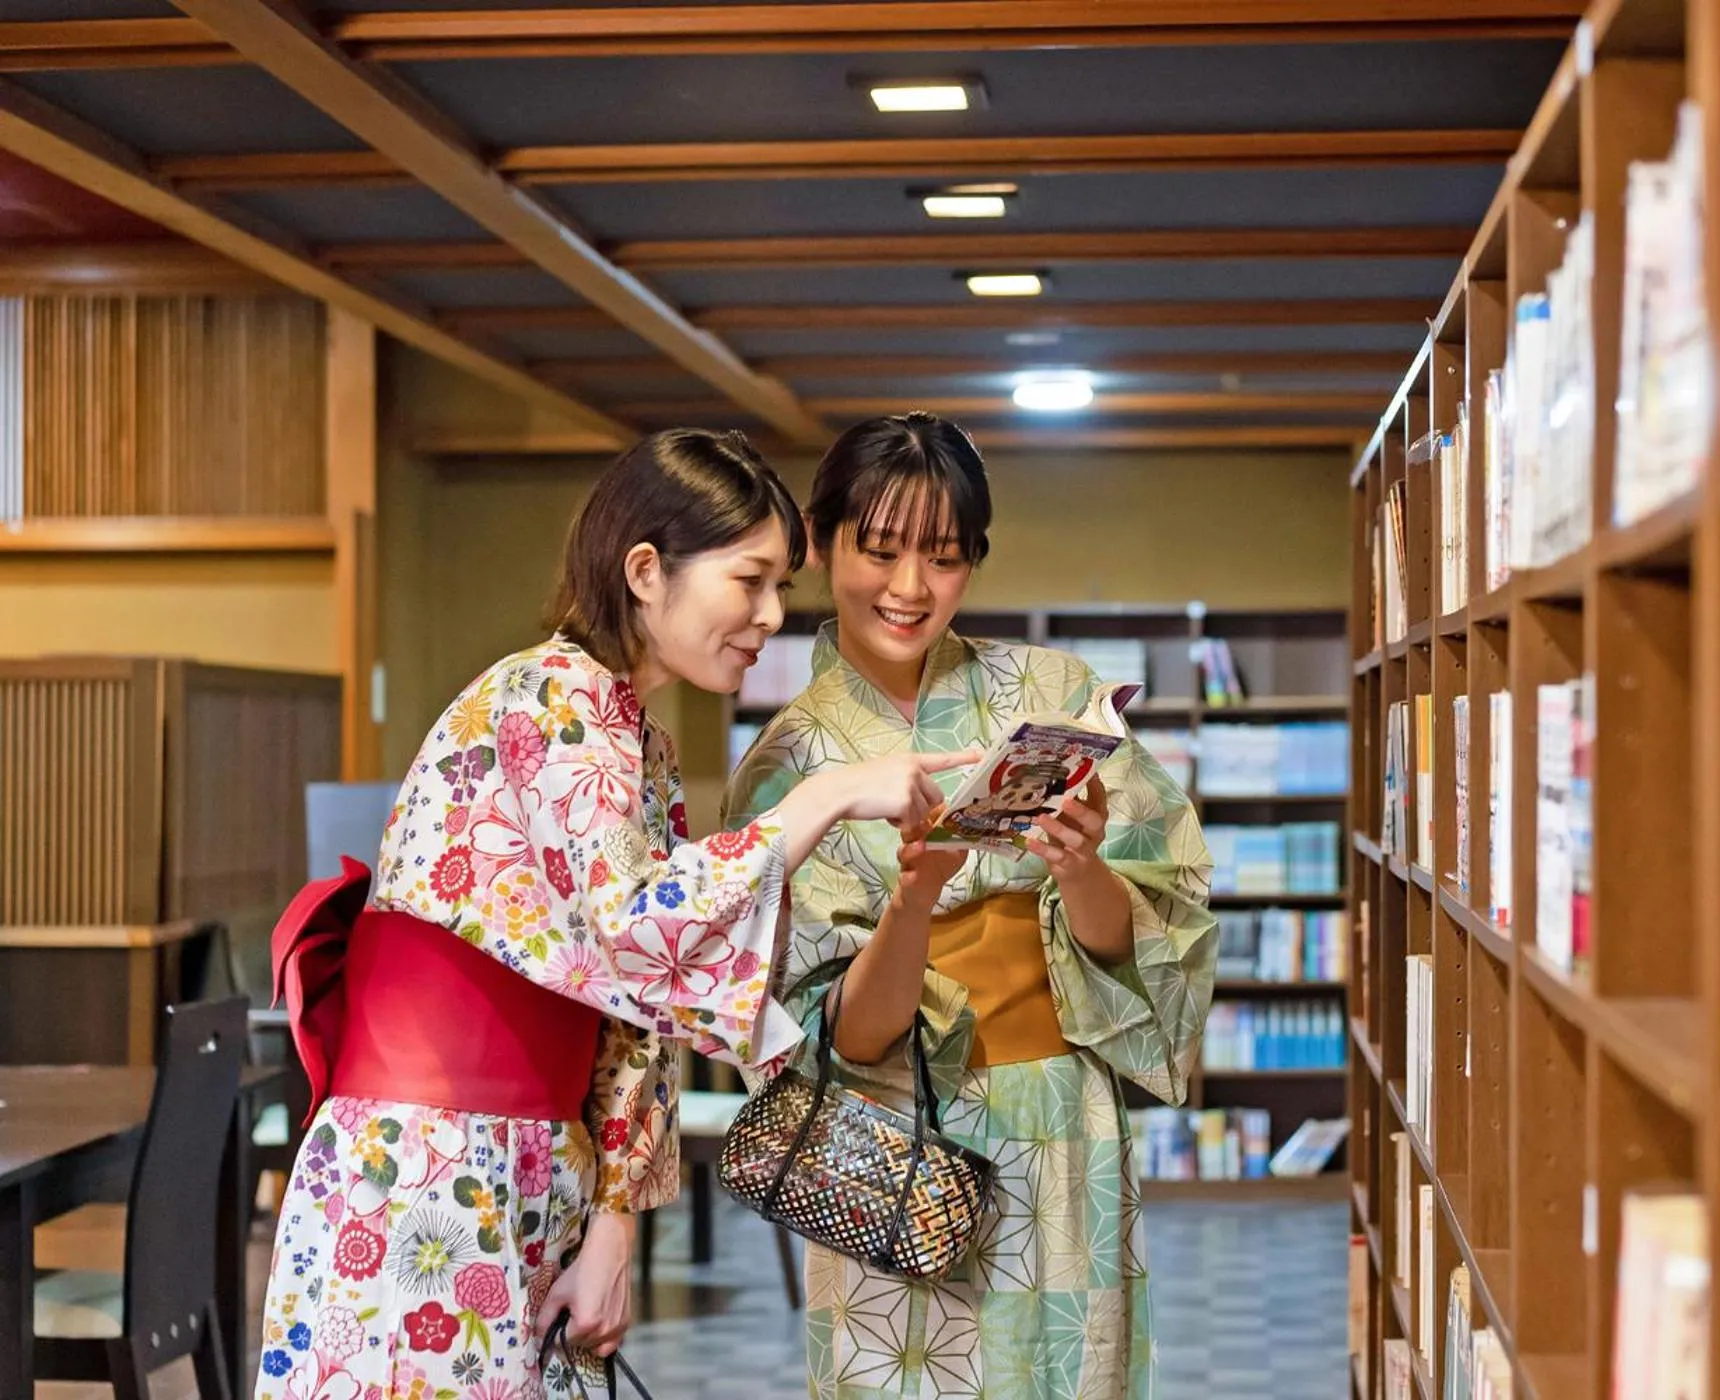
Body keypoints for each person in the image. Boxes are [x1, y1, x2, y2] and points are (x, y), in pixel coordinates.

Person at [255, 429, 974, 1400]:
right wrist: (827, 794)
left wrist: (616, 1215)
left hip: (532, 1156)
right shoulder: (552, 696)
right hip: (421, 1162)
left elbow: (641, 1002)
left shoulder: (640, 739)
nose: (768, 615)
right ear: (646, 569)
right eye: (750, 579)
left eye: (780, 590)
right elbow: (640, 926)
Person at [724, 413, 1218, 1400]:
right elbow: (836, 1033)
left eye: (944, 558)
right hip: (889, 1145)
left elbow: (1161, 919)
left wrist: (1082, 869)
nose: (910, 587)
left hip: (1061, 1116)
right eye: (881, 550)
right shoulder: (788, 762)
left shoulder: (1053, 689)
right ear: (820, 544)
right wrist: (915, 899)